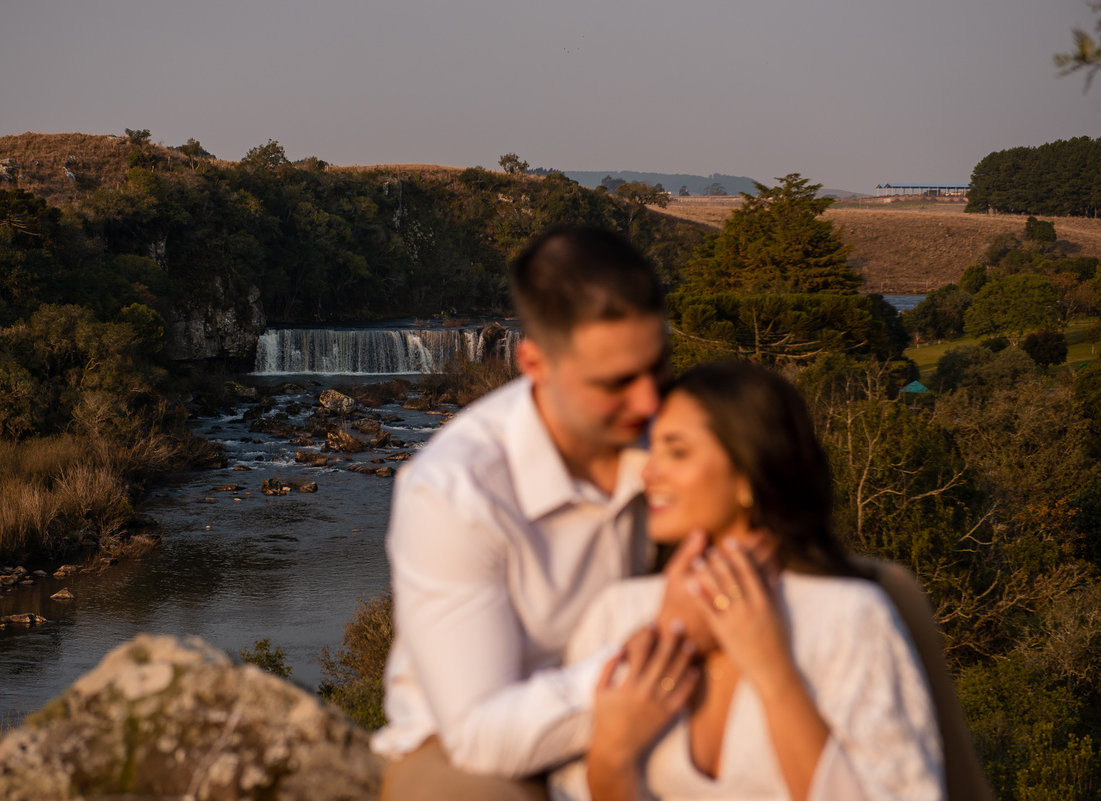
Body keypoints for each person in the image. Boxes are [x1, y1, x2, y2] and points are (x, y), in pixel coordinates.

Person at [550, 361, 945, 801]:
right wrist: (611, 758)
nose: (648, 472)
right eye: (652, 448)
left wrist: (772, 669)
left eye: (677, 451)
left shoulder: (847, 617)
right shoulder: (619, 612)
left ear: (747, 475)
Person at [372, 226, 671, 800]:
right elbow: (480, 734)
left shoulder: (676, 434)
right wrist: (641, 667)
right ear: (533, 362)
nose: (649, 403)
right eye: (615, 383)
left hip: (652, 707)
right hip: (477, 749)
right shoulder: (456, 490)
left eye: (657, 367)